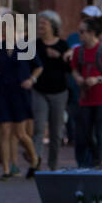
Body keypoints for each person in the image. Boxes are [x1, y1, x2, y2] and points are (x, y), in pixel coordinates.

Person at [0, 20, 43, 180]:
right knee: (4, 131)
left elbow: (38, 66)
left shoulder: (26, 46)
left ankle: (34, 159)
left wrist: (32, 80)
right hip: (3, 92)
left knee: (20, 133)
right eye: (4, 26)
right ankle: (6, 170)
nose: (5, 29)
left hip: (20, 92)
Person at [70, 17, 102, 169]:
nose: (80, 35)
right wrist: (78, 78)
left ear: (92, 33)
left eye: (82, 31)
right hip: (85, 97)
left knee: (100, 132)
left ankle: (101, 160)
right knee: (85, 133)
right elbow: (74, 69)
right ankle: (91, 159)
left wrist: (97, 79)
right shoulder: (78, 51)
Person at [31, 11, 71, 171]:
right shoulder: (35, 45)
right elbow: (28, 64)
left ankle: (53, 165)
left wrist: (59, 56)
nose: (40, 26)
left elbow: (69, 68)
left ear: (53, 26)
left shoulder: (62, 45)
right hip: (39, 90)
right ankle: (35, 163)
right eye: (39, 23)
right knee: (39, 128)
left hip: (59, 91)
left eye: (44, 23)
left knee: (55, 132)